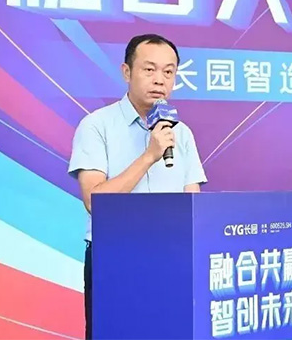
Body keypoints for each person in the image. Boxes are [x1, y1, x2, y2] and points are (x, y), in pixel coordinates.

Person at [68, 34, 207, 339]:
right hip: (114, 258)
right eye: (149, 69)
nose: (160, 80)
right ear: (126, 72)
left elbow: (193, 203)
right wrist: (149, 156)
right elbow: (94, 202)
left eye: (168, 72)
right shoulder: (96, 125)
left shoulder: (181, 133)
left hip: (171, 257)